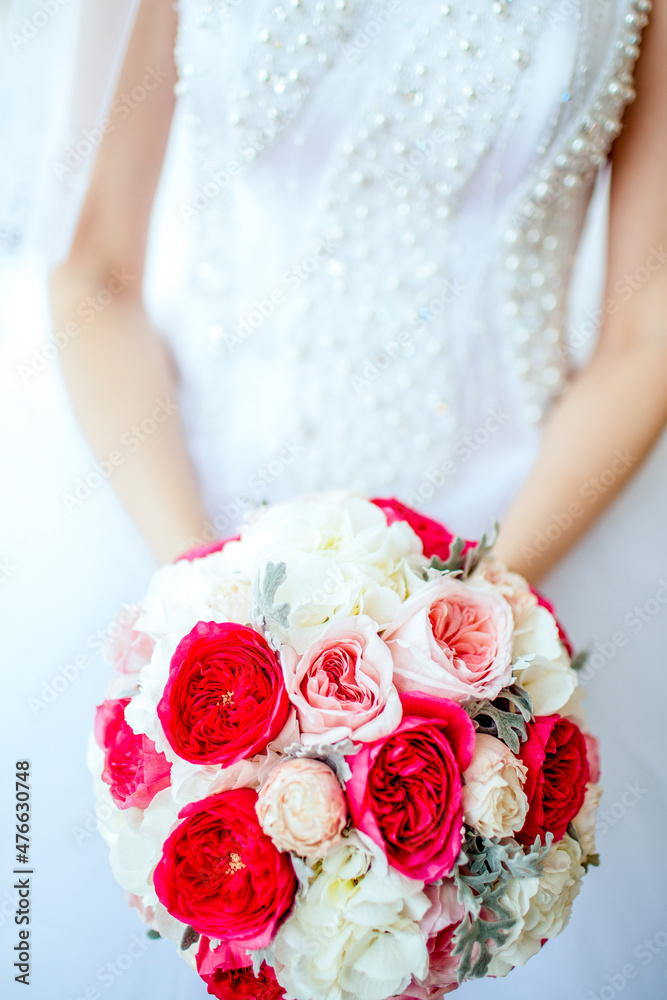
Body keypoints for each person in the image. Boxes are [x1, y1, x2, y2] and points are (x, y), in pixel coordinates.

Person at [7, 0, 667, 997]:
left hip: (528, 530)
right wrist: (205, 615)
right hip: (173, 501)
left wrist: (469, 637)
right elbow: (93, 268)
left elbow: (646, 327)